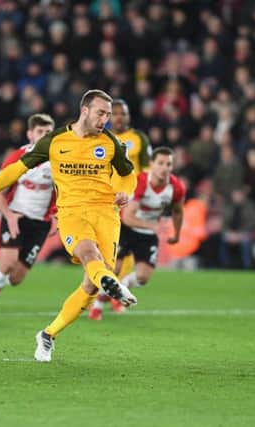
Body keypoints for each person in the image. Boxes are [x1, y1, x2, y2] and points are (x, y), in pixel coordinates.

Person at [0, 89, 137, 362]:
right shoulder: (55, 142)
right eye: (101, 113)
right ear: (85, 110)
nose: (105, 119)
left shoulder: (109, 142)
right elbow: (15, 170)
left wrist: (126, 192)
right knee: (90, 255)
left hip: (106, 214)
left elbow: (127, 175)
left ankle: (48, 335)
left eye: (109, 115)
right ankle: (112, 284)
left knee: (90, 286)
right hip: (72, 213)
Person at [0, 113, 56, 323]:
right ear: (30, 134)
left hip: (40, 224)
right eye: (40, 132)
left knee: (16, 278)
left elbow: (65, 192)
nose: (45, 136)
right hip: (16, 217)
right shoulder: (18, 157)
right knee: (7, 262)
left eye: (49, 132)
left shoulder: (59, 162)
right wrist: (9, 216)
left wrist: (58, 216)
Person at [89, 147, 185, 320]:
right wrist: (152, 225)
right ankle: (97, 306)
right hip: (124, 229)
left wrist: (176, 234)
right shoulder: (141, 181)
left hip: (146, 235)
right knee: (113, 269)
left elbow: (178, 211)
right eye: (161, 163)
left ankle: (122, 286)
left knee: (143, 277)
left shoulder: (176, 187)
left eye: (168, 164)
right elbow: (127, 217)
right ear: (152, 164)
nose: (164, 168)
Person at [108, 98, 151, 313]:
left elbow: (146, 170)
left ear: (128, 116)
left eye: (122, 113)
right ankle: (102, 289)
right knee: (107, 248)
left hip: (131, 200)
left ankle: (117, 294)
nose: (119, 117)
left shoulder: (138, 138)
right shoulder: (101, 137)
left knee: (125, 250)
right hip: (106, 199)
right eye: (114, 113)